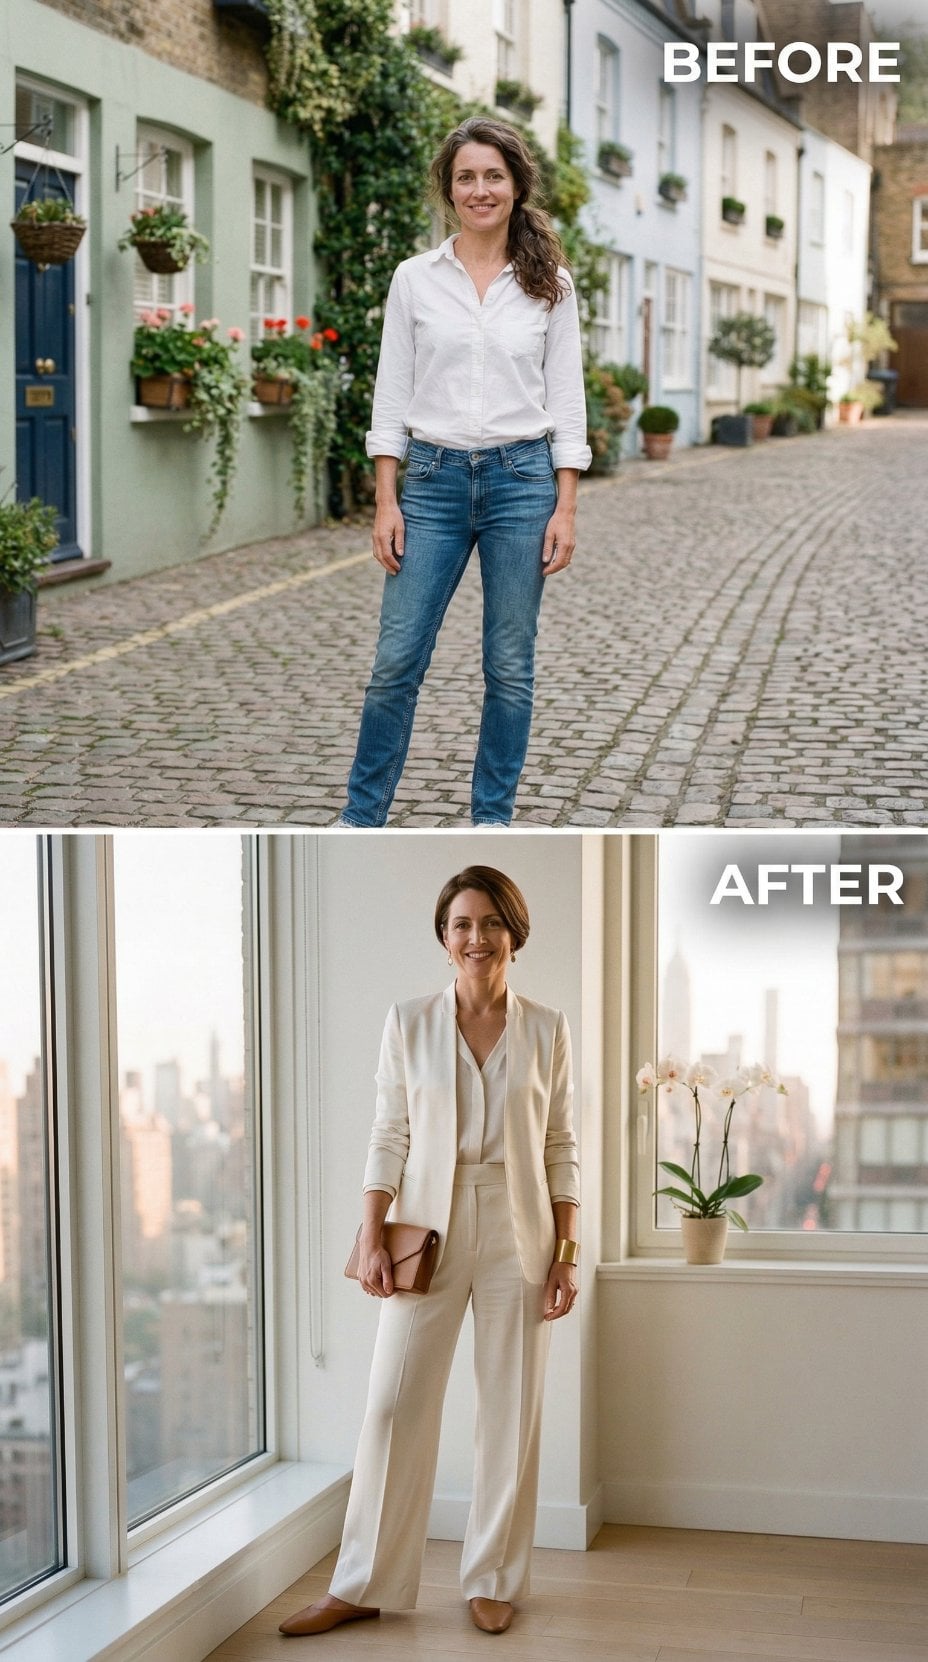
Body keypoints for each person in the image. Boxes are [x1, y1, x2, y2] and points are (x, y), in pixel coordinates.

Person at [279, 865, 580, 1638]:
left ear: (514, 930)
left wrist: (566, 1250)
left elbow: (559, 1144)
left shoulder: (547, 1028)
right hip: (428, 1227)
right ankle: (363, 1582)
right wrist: (370, 1230)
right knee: (392, 1405)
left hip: (521, 1229)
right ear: (444, 940)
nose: (475, 938)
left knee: (510, 1411)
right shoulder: (408, 1021)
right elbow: (391, 1131)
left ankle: (493, 1579)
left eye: (489, 923)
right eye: (461, 926)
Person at [336, 118, 592, 828]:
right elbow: (391, 393)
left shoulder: (551, 286)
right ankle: (361, 818)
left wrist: (565, 505)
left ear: (516, 185)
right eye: (466, 178)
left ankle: (491, 817)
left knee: (509, 667)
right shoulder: (415, 280)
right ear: (449, 191)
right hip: (433, 485)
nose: (480, 190)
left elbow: (566, 401)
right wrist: (386, 499)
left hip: (522, 484)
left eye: (493, 176)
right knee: (396, 662)